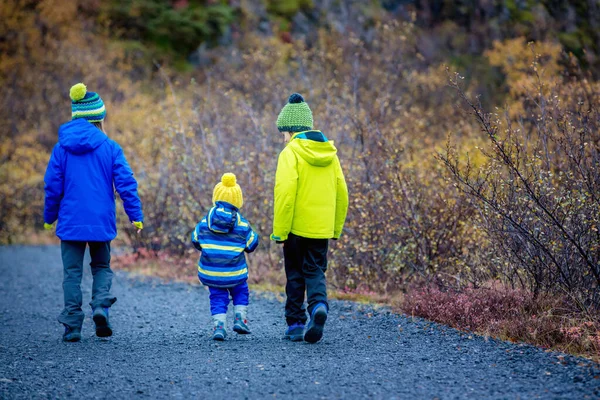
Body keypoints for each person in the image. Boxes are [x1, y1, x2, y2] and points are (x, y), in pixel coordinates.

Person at [44, 83, 144, 342]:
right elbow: (126, 183)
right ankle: (101, 306)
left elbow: (52, 186)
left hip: (71, 222)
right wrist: (135, 215)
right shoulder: (110, 147)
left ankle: (72, 325)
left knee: (72, 273)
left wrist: (49, 217)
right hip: (100, 221)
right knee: (101, 266)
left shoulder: (61, 148)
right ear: (99, 118)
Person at [271, 93, 349, 343]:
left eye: (283, 132)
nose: (283, 138)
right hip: (321, 228)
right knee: (315, 270)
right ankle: (318, 307)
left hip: (295, 228)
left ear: (290, 130)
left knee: (294, 273)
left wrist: (280, 232)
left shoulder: (290, 153)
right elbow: (342, 193)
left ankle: (295, 325)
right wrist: (335, 228)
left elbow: (285, 194)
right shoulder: (330, 153)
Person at [191, 173, 259, 341]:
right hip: (235, 272)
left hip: (211, 273)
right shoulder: (242, 225)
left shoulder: (204, 223)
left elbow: (195, 240)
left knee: (217, 297)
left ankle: (219, 327)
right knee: (241, 290)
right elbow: (252, 244)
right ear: (238, 201)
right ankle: (240, 319)